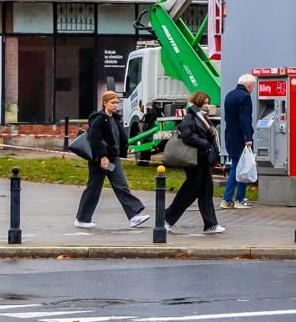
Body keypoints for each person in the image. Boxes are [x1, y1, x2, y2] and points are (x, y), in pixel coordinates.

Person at [74, 91, 149, 229]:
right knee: (93, 188)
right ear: (105, 103)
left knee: (121, 185)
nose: (115, 105)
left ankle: (134, 216)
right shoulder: (99, 119)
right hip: (100, 159)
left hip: (113, 158)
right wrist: (103, 156)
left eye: (116, 103)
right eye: (112, 103)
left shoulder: (115, 119)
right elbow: (94, 139)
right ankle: (82, 219)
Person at [164, 91, 225, 234]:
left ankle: (210, 224)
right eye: (204, 103)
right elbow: (187, 136)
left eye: (208, 102)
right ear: (197, 103)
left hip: (204, 160)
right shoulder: (190, 117)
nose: (207, 105)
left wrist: (213, 153)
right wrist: (205, 144)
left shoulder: (204, 118)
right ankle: (166, 218)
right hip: (194, 159)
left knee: (206, 191)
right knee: (190, 191)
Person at [220, 73, 255, 211]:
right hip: (241, 138)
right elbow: (245, 119)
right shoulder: (245, 97)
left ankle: (229, 198)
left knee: (237, 166)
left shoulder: (230, 95)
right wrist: (248, 138)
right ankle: (236, 199)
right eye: (253, 86)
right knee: (241, 168)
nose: (253, 89)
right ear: (250, 85)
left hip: (230, 136)